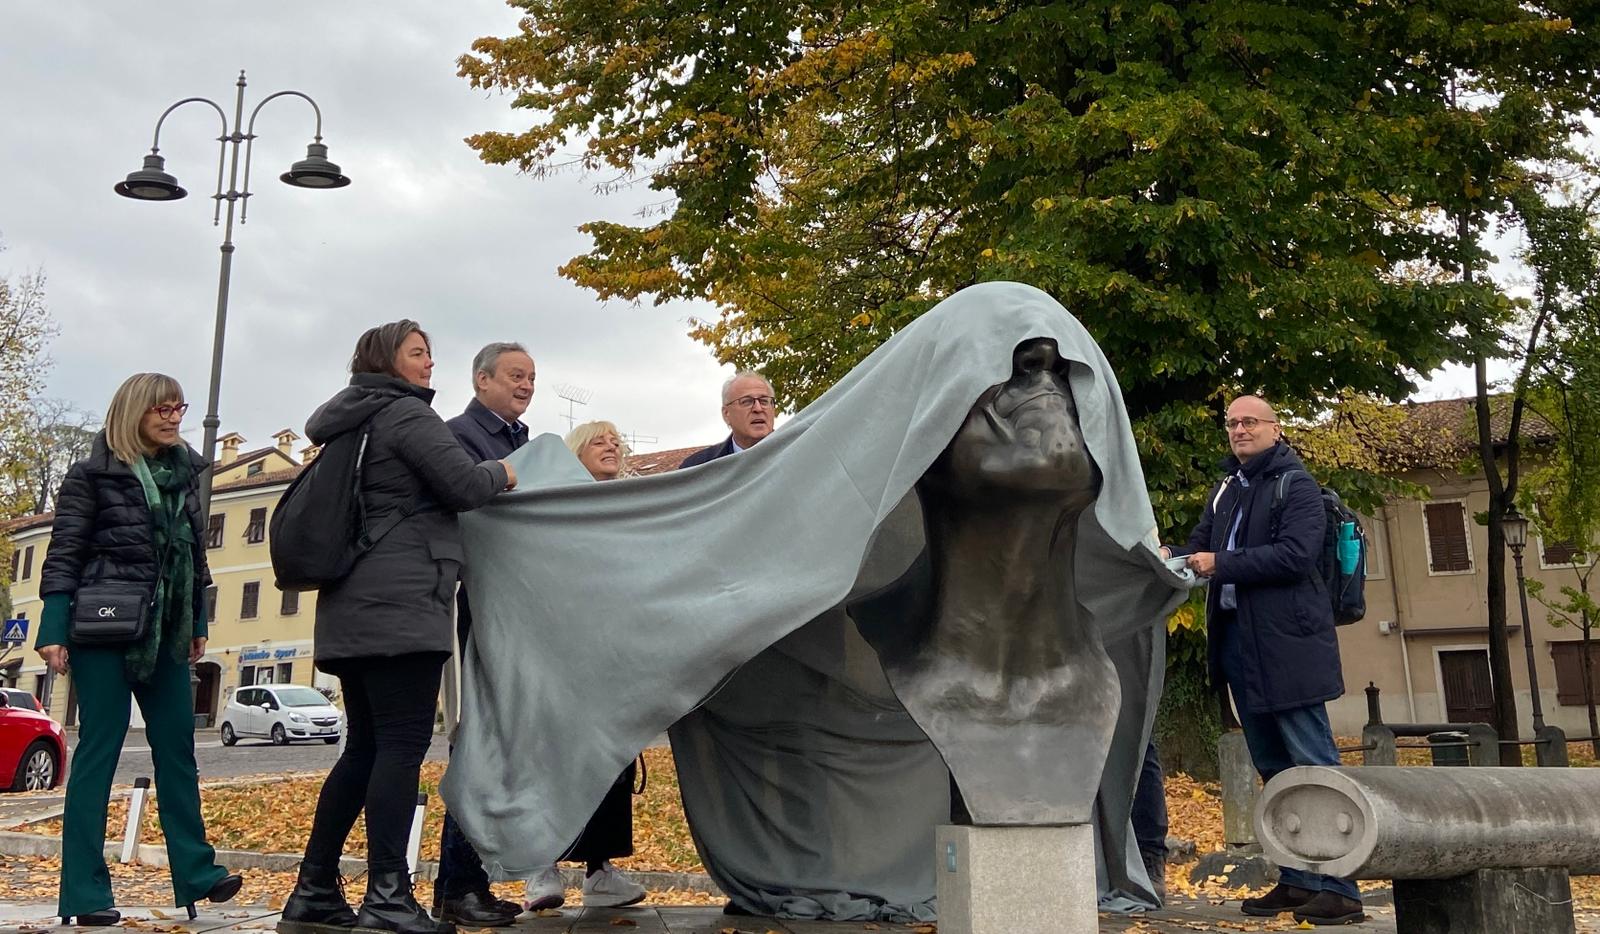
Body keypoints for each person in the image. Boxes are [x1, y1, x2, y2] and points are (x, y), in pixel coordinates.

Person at [279, 321, 516, 934]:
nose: (430, 362)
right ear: (388, 362)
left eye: (431, 351)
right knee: (402, 749)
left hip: (350, 608)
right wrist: (507, 474)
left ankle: (313, 891)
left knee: (362, 749)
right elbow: (464, 484)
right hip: (401, 607)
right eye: (418, 353)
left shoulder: (349, 423)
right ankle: (387, 898)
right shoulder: (407, 418)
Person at [35, 373, 244, 926]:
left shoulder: (186, 478)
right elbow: (65, 552)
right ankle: (84, 893)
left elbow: (195, 561)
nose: (174, 417)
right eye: (162, 408)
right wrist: (52, 628)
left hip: (169, 633)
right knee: (99, 753)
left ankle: (198, 872)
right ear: (134, 411)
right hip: (103, 630)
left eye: (180, 407)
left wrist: (197, 621)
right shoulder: (91, 477)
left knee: (178, 751)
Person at [1163, 395, 1363, 926]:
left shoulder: (1295, 485)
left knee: (1312, 764)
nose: (1239, 430)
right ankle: (1297, 882)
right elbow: (1200, 545)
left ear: (1275, 429)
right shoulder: (1228, 487)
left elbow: (1296, 555)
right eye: (1231, 423)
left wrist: (1220, 563)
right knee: (1273, 770)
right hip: (1238, 646)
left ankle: (1341, 888)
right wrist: (1174, 556)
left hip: (1289, 646)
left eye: (1249, 421)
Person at [516, 420, 648, 912]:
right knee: (550, 759)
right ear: (575, 453)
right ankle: (541, 866)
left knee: (610, 761)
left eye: (617, 440)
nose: (613, 445)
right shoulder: (553, 506)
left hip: (612, 655)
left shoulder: (629, 505)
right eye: (600, 440)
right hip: (557, 652)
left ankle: (600, 870)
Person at [431, 342, 536, 928]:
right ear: (482, 379)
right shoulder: (459, 436)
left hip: (522, 608)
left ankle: (468, 884)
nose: (526, 385)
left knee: (502, 752)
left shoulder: (524, 441)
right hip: (485, 609)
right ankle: (456, 888)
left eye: (532, 377)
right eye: (515, 376)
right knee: (479, 749)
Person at [677, 371, 776, 468]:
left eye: (764, 401)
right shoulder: (696, 469)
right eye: (746, 402)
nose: (758, 409)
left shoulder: (791, 457)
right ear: (726, 414)